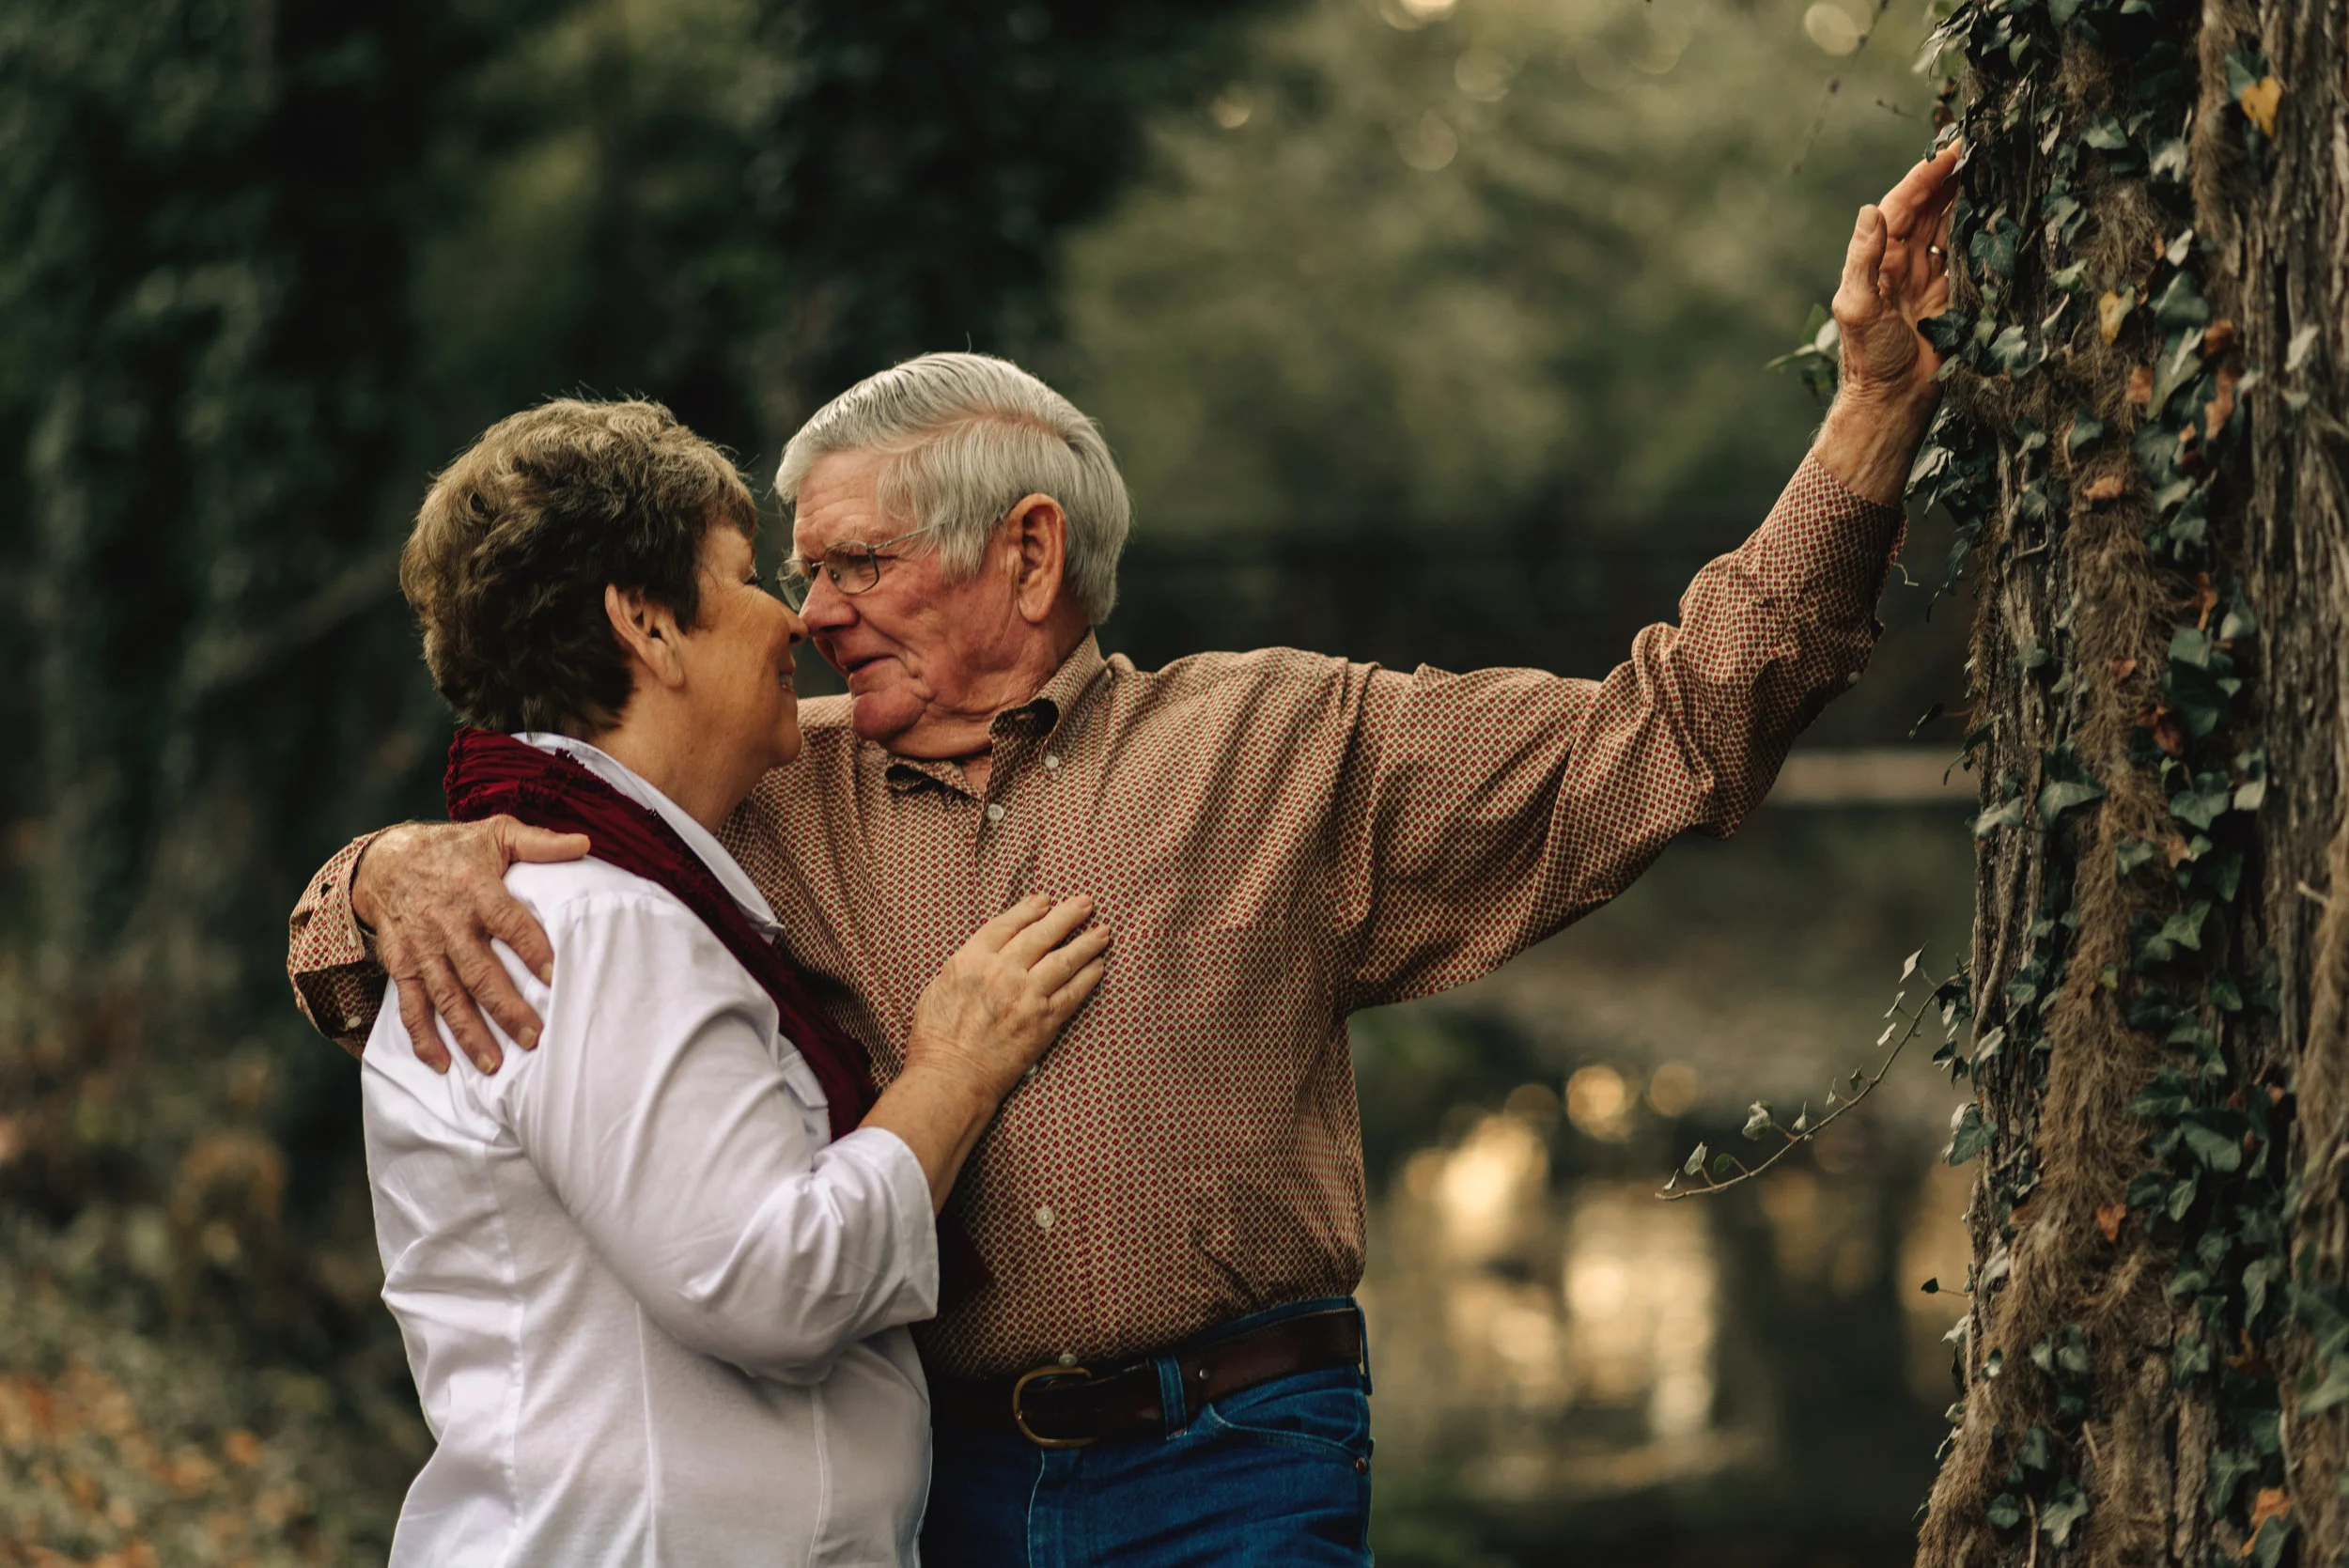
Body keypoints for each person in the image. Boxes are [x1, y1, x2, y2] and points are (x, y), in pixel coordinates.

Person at [292, 147, 1961, 1565]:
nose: (811, 613)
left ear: (1027, 552)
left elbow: (1658, 736)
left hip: (1240, 1457)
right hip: (935, 1477)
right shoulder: (767, 789)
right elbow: (554, 846)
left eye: (858, 561)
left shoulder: (1287, 742)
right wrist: (374, 876)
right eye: (798, 572)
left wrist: (1872, 418)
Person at [357, 398, 1108, 1565]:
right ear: (649, 627)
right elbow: (769, 1280)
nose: (796, 619)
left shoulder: (590, 892)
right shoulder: (593, 922)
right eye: (751, 574)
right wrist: (952, 1071)